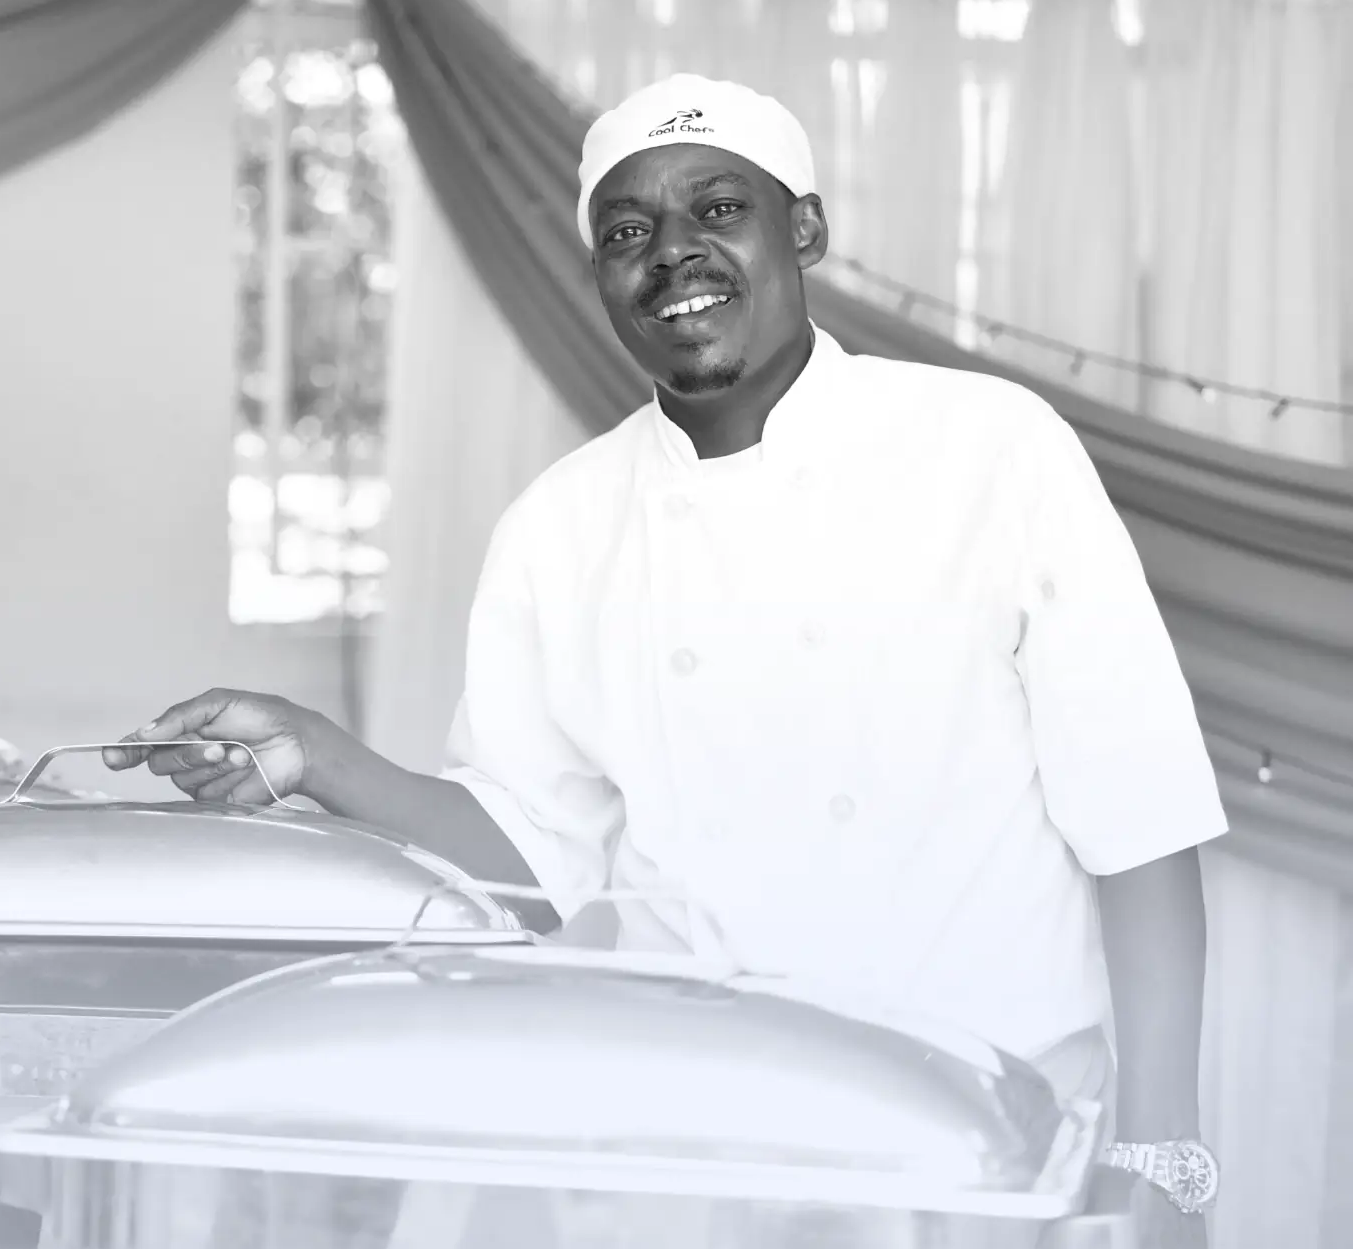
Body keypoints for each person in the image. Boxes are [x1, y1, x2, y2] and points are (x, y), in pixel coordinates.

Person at [106, 73, 1225, 1242]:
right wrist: (320, 757)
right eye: (627, 231)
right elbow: (539, 864)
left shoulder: (991, 451)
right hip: (691, 1143)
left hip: (986, 1136)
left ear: (803, 228)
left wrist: (1162, 1152)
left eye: (716, 208)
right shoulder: (559, 523)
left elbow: (1135, 814)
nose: (671, 254)